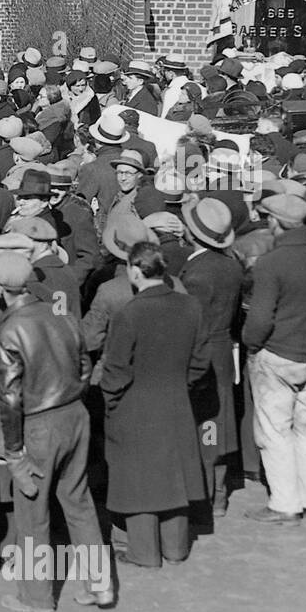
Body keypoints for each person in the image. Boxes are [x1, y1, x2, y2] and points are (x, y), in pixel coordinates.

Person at [0, 251, 111, 609]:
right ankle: (100, 584)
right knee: (79, 502)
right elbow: (84, 364)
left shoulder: (9, 329)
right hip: (76, 415)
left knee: (32, 516)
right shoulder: (60, 313)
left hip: (38, 425)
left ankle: (37, 597)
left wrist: (14, 451)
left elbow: (9, 399)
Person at [102, 243, 210, 568]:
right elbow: (200, 362)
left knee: (138, 479)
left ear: (135, 271)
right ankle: (176, 548)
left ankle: (144, 552)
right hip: (177, 402)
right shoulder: (191, 306)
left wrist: (111, 399)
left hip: (134, 405)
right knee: (173, 474)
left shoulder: (129, 313)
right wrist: (181, 385)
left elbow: (116, 369)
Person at [241, 193, 306, 524]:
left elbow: (260, 319)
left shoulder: (271, 264)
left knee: (275, 432)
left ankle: (283, 504)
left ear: (275, 223)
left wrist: (251, 343)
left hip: (277, 354)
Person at [177, 197, 245, 518]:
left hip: (201, 353)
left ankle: (205, 497)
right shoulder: (231, 265)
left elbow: (192, 322)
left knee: (204, 423)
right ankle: (218, 493)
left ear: (191, 234)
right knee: (219, 424)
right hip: (223, 350)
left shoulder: (196, 274)